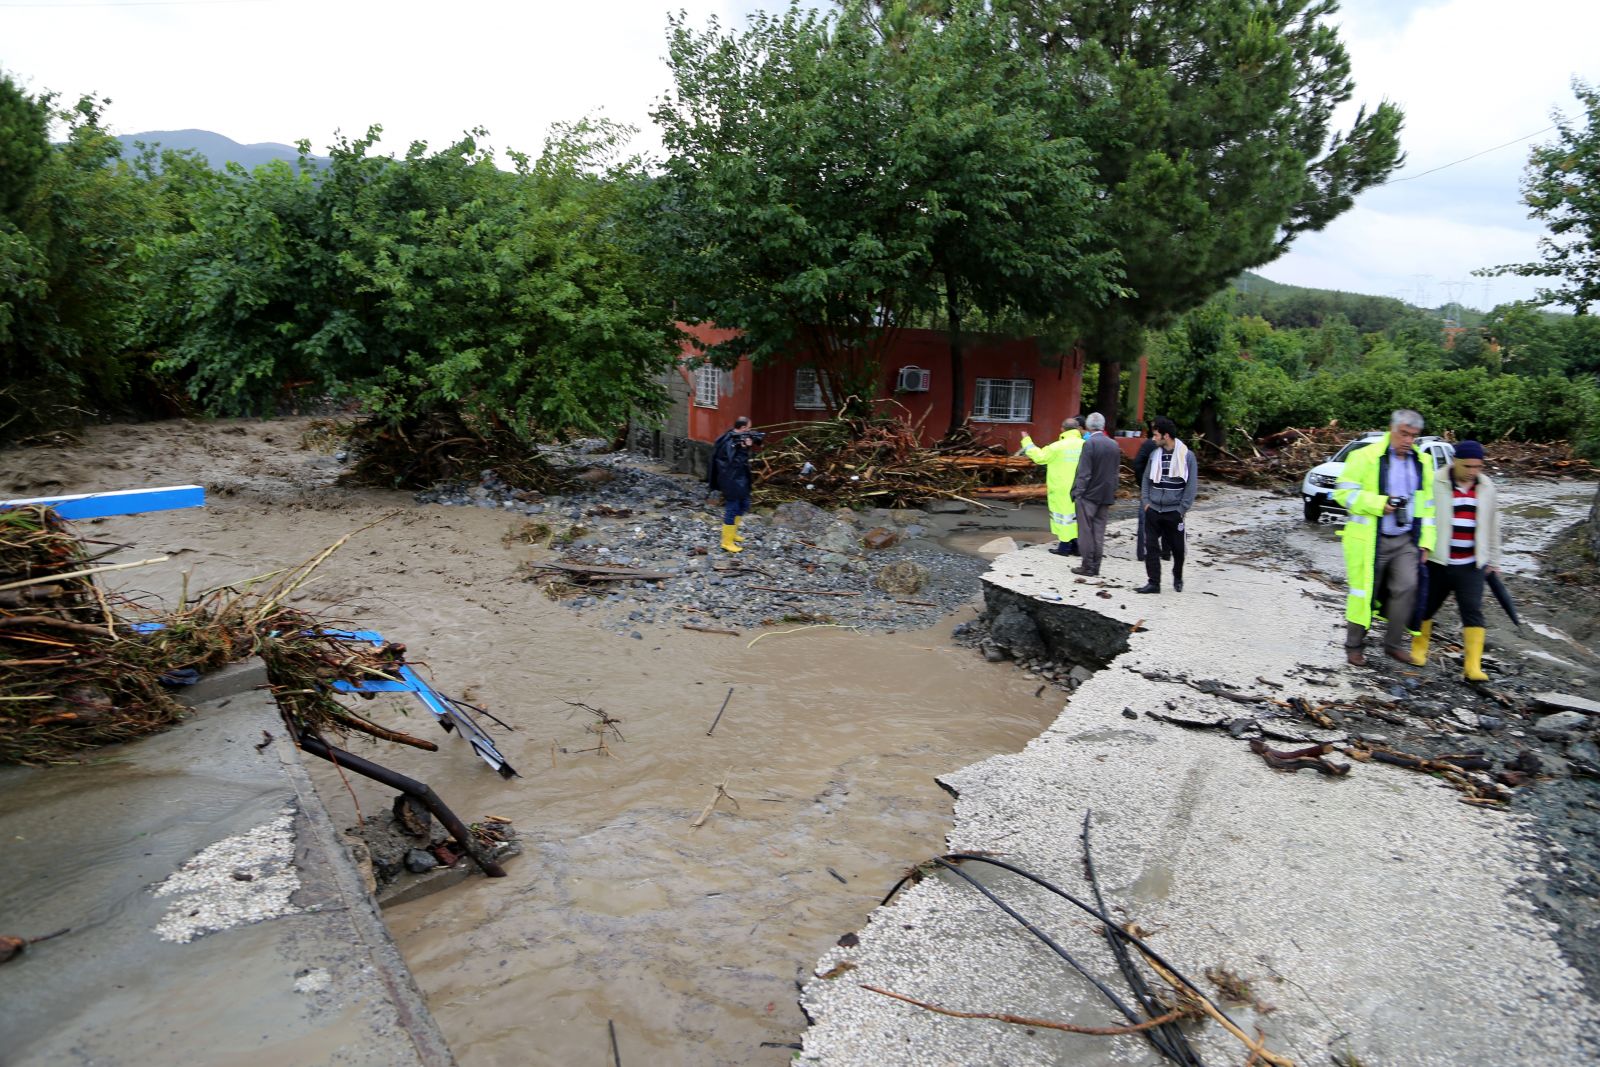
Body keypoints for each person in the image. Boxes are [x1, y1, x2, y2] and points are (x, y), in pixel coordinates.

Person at [1332, 409, 1437, 666]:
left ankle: (1393, 644)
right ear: (1391, 429)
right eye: (1404, 434)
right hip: (1370, 540)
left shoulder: (1422, 462)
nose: (1408, 440)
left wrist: (1426, 541)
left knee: (1408, 587)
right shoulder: (1364, 457)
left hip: (1405, 539)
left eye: (1414, 435)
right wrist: (1380, 504)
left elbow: (1429, 506)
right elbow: (1343, 494)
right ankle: (1354, 646)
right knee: (1364, 592)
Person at [1412, 440, 1500, 681]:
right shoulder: (1435, 482)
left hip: (1471, 565)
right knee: (1426, 607)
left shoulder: (1486, 486)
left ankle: (1472, 667)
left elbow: (1493, 525)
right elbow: (1421, 515)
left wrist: (1493, 559)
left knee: (1473, 612)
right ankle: (1419, 651)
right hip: (1438, 561)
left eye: (1478, 466)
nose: (1473, 471)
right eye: (1468, 466)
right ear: (1455, 462)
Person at [1134, 417, 1198, 594]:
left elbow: (1191, 486)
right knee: (1151, 547)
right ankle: (1154, 582)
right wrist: (1146, 502)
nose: (1153, 439)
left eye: (1156, 435)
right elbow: (1146, 479)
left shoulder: (1187, 457)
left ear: (1166, 436)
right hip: (1154, 509)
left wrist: (1182, 509)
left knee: (1178, 549)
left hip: (1174, 512)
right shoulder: (1155, 455)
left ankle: (1177, 575)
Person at [1020, 417, 1084, 556]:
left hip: (1061, 488)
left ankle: (1064, 547)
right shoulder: (1085, 444)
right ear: (1078, 429)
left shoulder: (1057, 447)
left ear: (1062, 429)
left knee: (1064, 519)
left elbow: (1039, 457)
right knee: (1076, 518)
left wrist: (1026, 440)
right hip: (1081, 487)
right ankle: (1076, 545)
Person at [1070, 412, 1121, 577]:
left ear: (1088, 426)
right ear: (1103, 426)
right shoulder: (1114, 444)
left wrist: (1078, 493)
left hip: (1089, 495)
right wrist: (1113, 491)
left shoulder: (1089, 444)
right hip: (1106, 495)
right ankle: (1096, 566)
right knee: (1099, 532)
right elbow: (1115, 472)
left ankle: (1087, 566)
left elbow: (1084, 473)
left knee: (1085, 532)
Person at [707, 416, 760, 553]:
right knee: (732, 508)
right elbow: (732, 464)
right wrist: (744, 449)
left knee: (744, 504)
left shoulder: (737, 438)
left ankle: (733, 533)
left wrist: (746, 447)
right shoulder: (728, 442)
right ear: (742, 428)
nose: (750, 431)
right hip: (731, 480)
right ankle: (726, 541)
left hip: (740, 479)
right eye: (748, 428)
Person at [1131, 424, 1159, 562]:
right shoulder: (1173, 446)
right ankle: (1164, 551)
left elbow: (1137, 463)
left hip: (1148, 486)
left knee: (1144, 519)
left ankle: (1143, 551)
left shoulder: (1148, 445)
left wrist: (1141, 482)